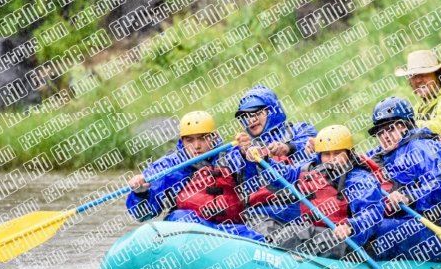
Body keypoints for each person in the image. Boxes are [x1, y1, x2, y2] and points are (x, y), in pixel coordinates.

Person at [244, 125, 385, 259]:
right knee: (258, 219)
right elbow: (285, 175)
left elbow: (372, 213)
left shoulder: (360, 178)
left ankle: (277, 256)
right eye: (326, 154)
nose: (332, 159)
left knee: (292, 235)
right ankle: (272, 251)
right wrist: (265, 160)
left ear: (349, 152)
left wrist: (351, 226)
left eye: (337, 153)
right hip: (316, 230)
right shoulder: (312, 167)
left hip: (348, 242)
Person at [126, 111, 265, 241]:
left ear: (214, 137)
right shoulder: (170, 165)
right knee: (179, 218)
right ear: (182, 140)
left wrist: (248, 155)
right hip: (190, 230)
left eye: (202, 139)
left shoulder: (233, 155)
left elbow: (254, 184)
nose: (196, 146)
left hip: (228, 230)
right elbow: (141, 214)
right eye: (190, 140)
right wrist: (140, 193)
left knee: (256, 237)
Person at [367, 96, 441, 262]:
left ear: (405, 126)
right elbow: (351, 162)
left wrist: (408, 197)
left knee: (371, 232)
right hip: (406, 221)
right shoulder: (381, 153)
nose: (385, 136)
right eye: (380, 132)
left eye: (391, 129)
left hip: (436, 225)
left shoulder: (421, 147)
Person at [229, 85, 317, 238]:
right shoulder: (241, 147)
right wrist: (246, 155)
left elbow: (313, 151)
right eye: (245, 116)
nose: (251, 120)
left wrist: (288, 148)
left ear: (272, 110)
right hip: (261, 213)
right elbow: (245, 186)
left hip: (301, 206)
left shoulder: (300, 129)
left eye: (257, 113)